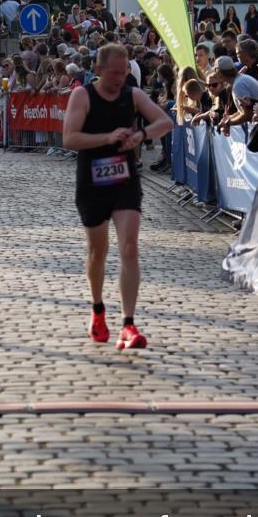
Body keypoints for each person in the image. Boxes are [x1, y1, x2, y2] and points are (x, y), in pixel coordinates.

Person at [62, 43, 173, 350]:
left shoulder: (132, 94)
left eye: (123, 73)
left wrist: (141, 135)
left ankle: (128, 324)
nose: (119, 78)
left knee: (130, 247)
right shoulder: (82, 95)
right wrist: (107, 138)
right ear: (98, 70)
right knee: (98, 251)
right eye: (113, 73)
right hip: (92, 182)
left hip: (125, 179)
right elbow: (69, 138)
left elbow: (165, 122)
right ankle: (98, 310)